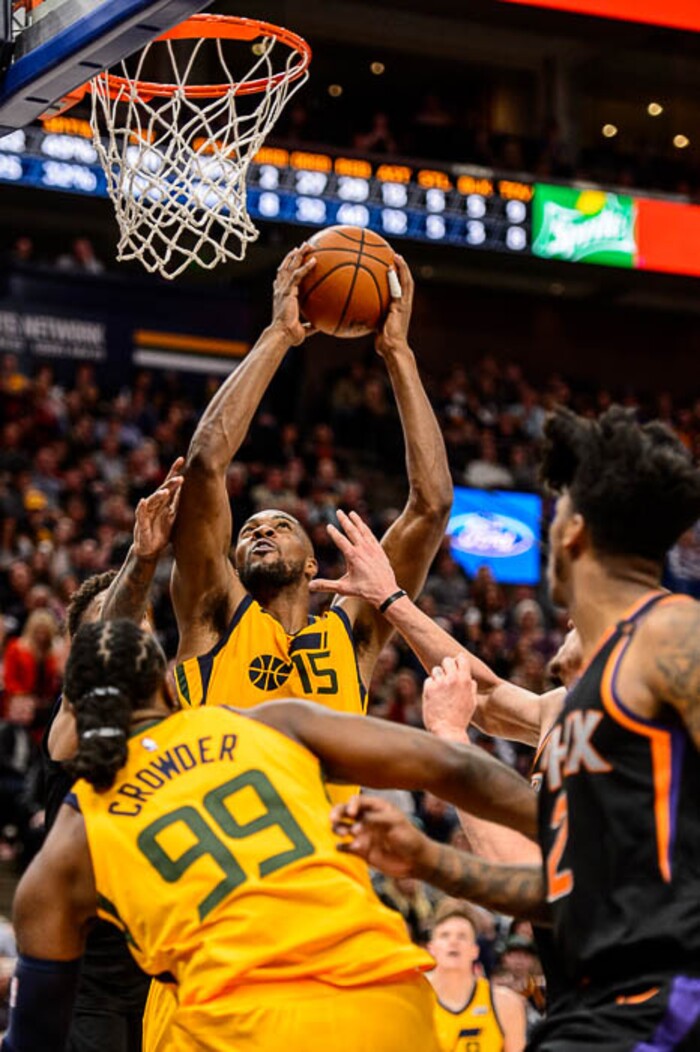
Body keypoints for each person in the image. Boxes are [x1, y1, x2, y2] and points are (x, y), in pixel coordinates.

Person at [333, 406, 700, 1052]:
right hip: (586, 1001)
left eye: (555, 512)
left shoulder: (671, 635)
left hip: (660, 1000)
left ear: (574, 533)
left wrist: (447, 747)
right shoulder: (581, 699)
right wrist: (429, 860)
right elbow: (549, 886)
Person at [6, 618, 539, 1052]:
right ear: (168, 686)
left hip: (243, 1027)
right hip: (385, 1006)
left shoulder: (70, 843)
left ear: (71, 710)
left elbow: (35, 1038)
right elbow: (453, 767)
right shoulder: (269, 722)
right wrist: (558, 825)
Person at [170, 246, 453, 796]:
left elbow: (432, 505)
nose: (260, 530)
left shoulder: (352, 636)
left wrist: (397, 352)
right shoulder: (212, 614)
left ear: (310, 564)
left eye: (280, 526)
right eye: (250, 528)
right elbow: (206, 463)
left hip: (324, 865)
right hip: (222, 861)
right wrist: (279, 334)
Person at [39, 462, 184, 1052]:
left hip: (164, 975)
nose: (129, 636)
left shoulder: (178, 717)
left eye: (142, 624)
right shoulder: (74, 711)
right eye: (115, 625)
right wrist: (142, 561)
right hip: (89, 982)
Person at [428, 901, 526, 1052]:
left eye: (462, 936)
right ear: (431, 948)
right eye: (444, 935)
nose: (453, 942)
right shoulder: (414, 1001)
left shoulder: (505, 1004)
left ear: (475, 950)